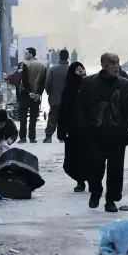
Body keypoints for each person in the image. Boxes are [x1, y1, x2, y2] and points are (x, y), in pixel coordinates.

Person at [77, 53, 128, 213]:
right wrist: (85, 129)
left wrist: (125, 128)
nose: (116, 66)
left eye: (117, 62)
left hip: (117, 134)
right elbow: (80, 108)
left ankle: (111, 199)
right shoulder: (88, 83)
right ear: (103, 64)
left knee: (116, 169)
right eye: (112, 63)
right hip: (95, 134)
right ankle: (95, 192)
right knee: (95, 167)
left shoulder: (125, 85)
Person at [57, 62, 88, 192]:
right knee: (75, 157)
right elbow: (63, 111)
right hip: (74, 130)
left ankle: (93, 180)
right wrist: (62, 131)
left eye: (82, 68)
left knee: (92, 156)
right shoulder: (68, 90)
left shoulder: (91, 86)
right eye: (77, 69)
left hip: (90, 129)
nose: (80, 71)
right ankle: (80, 181)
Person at [19, 47, 47, 143]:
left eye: (26, 53)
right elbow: (43, 82)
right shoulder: (42, 66)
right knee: (33, 117)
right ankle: (32, 138)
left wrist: (29, 92)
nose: (25, 55)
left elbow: (24, 80)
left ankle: (23, 137)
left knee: (23, 117)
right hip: (36, 97)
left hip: (26, 95)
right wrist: (38, 93)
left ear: (31, 54)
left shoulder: (25, 64)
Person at [43, 49, 70, 143]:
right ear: (68, 57)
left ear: (59, 56)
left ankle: (48, 137)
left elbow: (47, 84)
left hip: (55, 98)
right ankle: (62, 137)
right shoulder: (71, 69)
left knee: (52, 117)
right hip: (68, 100)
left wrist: (50, 93)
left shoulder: (53, 69)